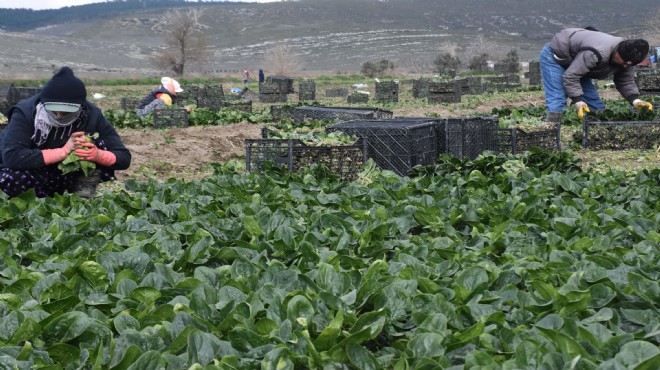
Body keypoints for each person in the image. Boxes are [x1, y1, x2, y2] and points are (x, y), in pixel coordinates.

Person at [0, 66, 131, 198]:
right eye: (53, 110)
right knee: (11, 178)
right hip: (32, 171)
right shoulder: (26, 112)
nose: (58, 115)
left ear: (80, 106)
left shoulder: (91, 114)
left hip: (65, 173)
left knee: (96, 143)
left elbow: (124, 158)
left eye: (66, 111)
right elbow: (12, 157)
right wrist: (63, 151)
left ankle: (81, 190)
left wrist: (98, 155)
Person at [539, 28, 653, 122]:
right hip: (556, 55)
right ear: (618, 53)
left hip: (578, 62)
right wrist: (577, 100)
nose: (625, 66)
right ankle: (551, 136)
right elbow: (571, 76)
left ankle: (598, 132)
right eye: (624, 62)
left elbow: (625, 81)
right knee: (557, 98)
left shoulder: (628, 61)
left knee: (594, 103)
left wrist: (636, 101)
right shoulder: (597, 52)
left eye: (629, 64)